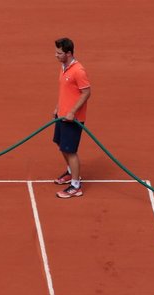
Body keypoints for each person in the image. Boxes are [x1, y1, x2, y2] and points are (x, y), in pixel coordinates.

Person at [52, 37, 92, 199]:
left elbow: (86, 93)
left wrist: (73, 112)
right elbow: (66, 91)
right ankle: (70, 172)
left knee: (71, 151)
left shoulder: (78, 71)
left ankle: (76, 186)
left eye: (59, 53)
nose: (56, 55)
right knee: (61, 145)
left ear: (68, 53)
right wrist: (58, 107)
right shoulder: (64, 67)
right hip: (62, 115)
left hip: (73, 118)